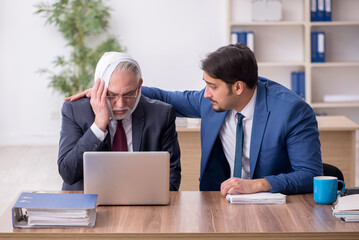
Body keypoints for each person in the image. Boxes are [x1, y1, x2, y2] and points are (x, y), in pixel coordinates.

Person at [67, 44, 323, 195]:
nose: (205, 93)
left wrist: (258, 185)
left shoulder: (293, 111)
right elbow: (161, 96)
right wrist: (111, 93)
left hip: (272, 205)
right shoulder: (209, 99)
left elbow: (311, 174)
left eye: (212, 86)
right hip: (219, 201)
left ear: (238, 88)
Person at [58, 52, 181, 191]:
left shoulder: (162, 114)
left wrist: (153, 203)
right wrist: (99, 125)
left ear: (139, 85)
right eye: (112, 95)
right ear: (99, 89)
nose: (121, 103)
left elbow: (172, 175)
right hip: (89, 202)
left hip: (142, 201)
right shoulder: (75, 111)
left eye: (129, 94)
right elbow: (67, 173)